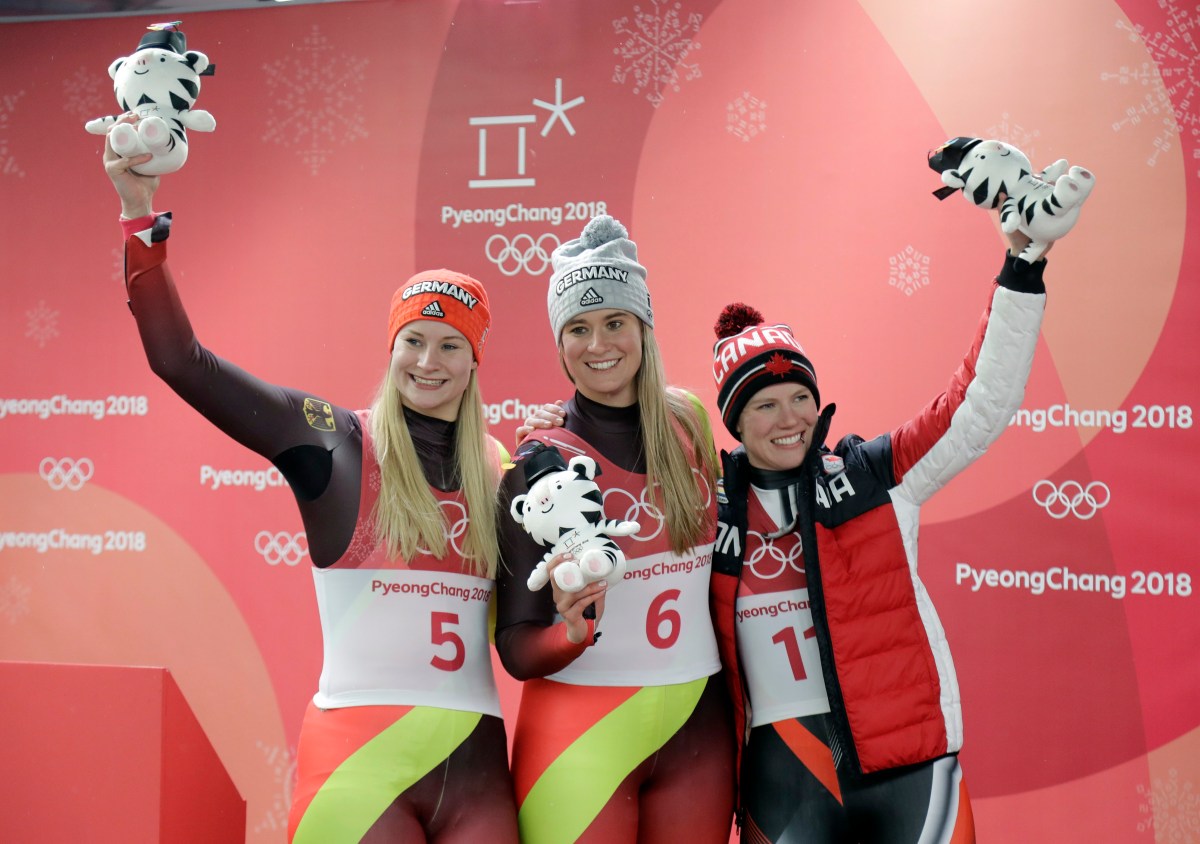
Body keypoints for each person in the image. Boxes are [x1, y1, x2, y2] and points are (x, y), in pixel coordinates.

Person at [101, 117, 518, 844]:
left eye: (451, 345)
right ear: (390, 348)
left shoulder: (499, 468)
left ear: (474, 362)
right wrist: (141, 218)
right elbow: (181, 361)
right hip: (359, 769)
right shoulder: (336, 440)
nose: (429, 361)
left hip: (479, 772)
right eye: (412, 341)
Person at [707, 217, 1050, 842]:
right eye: (765, 404)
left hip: (910, 768)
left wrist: (1022, 271)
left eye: (800, 397)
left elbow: (979, 404)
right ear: (735, 420)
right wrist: (555, 435)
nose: (791, 419)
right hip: (781, 777)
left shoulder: (872, 474)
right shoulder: (711, 507)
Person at [495, 215, 736, 842]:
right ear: (559, 342)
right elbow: (517, 645)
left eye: (614, 323)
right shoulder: (540, 460)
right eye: (578, 327)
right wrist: (572, 634)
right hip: (578, 737)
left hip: (698, 733)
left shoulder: (689, 423)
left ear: (643, 327)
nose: (598, 344)